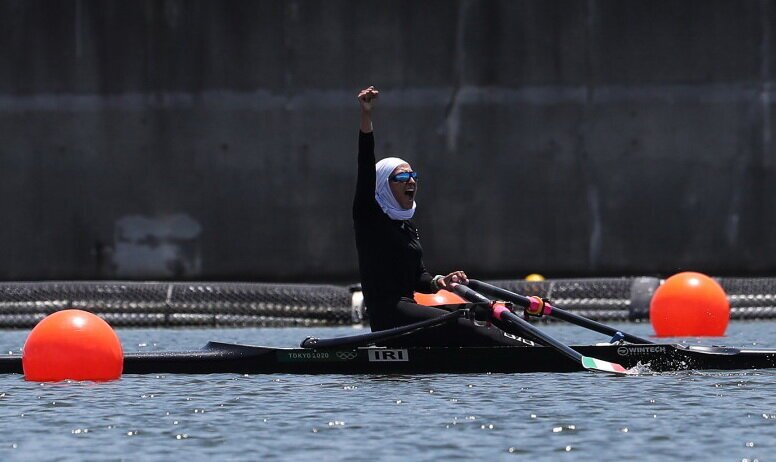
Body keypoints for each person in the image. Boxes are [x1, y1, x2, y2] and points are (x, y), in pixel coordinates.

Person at [353, 86, 526, 347]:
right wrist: (366, 115)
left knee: (496, 312)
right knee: (462, 322)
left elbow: (418, 279)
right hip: (389, 317)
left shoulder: (406, 228)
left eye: (413, 176)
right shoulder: (368, 217)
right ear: (381, 186)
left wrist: (440, 281)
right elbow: (365, 165)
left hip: (410, 310)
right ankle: (533, 356)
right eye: (401, 177)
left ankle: (535, 351)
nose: (410, 181)